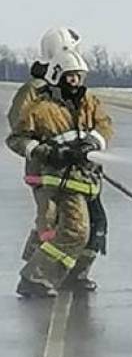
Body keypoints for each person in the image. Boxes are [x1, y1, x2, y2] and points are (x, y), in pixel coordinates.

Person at [7, 47, 114, 297]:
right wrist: (47, 152)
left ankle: (73, 274)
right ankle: (34, 278)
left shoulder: (90, 102)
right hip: (62, 179)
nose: (75, 81)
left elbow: (105, 125)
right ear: (57, 76)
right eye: (70, 76)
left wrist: (94, 141)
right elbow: (17, 139)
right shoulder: (41, 109)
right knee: (75, 230)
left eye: (79, 76)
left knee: (95, 229)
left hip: (88, 178)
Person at [7, 28, 82, 265]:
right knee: (49, 218)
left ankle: (45, 264)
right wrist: (45, 145)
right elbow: (17, 123)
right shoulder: (34, 88)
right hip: (42, 167)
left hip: (68, 167)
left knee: (64, 219)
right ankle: (36, 268)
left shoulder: (66, 86)